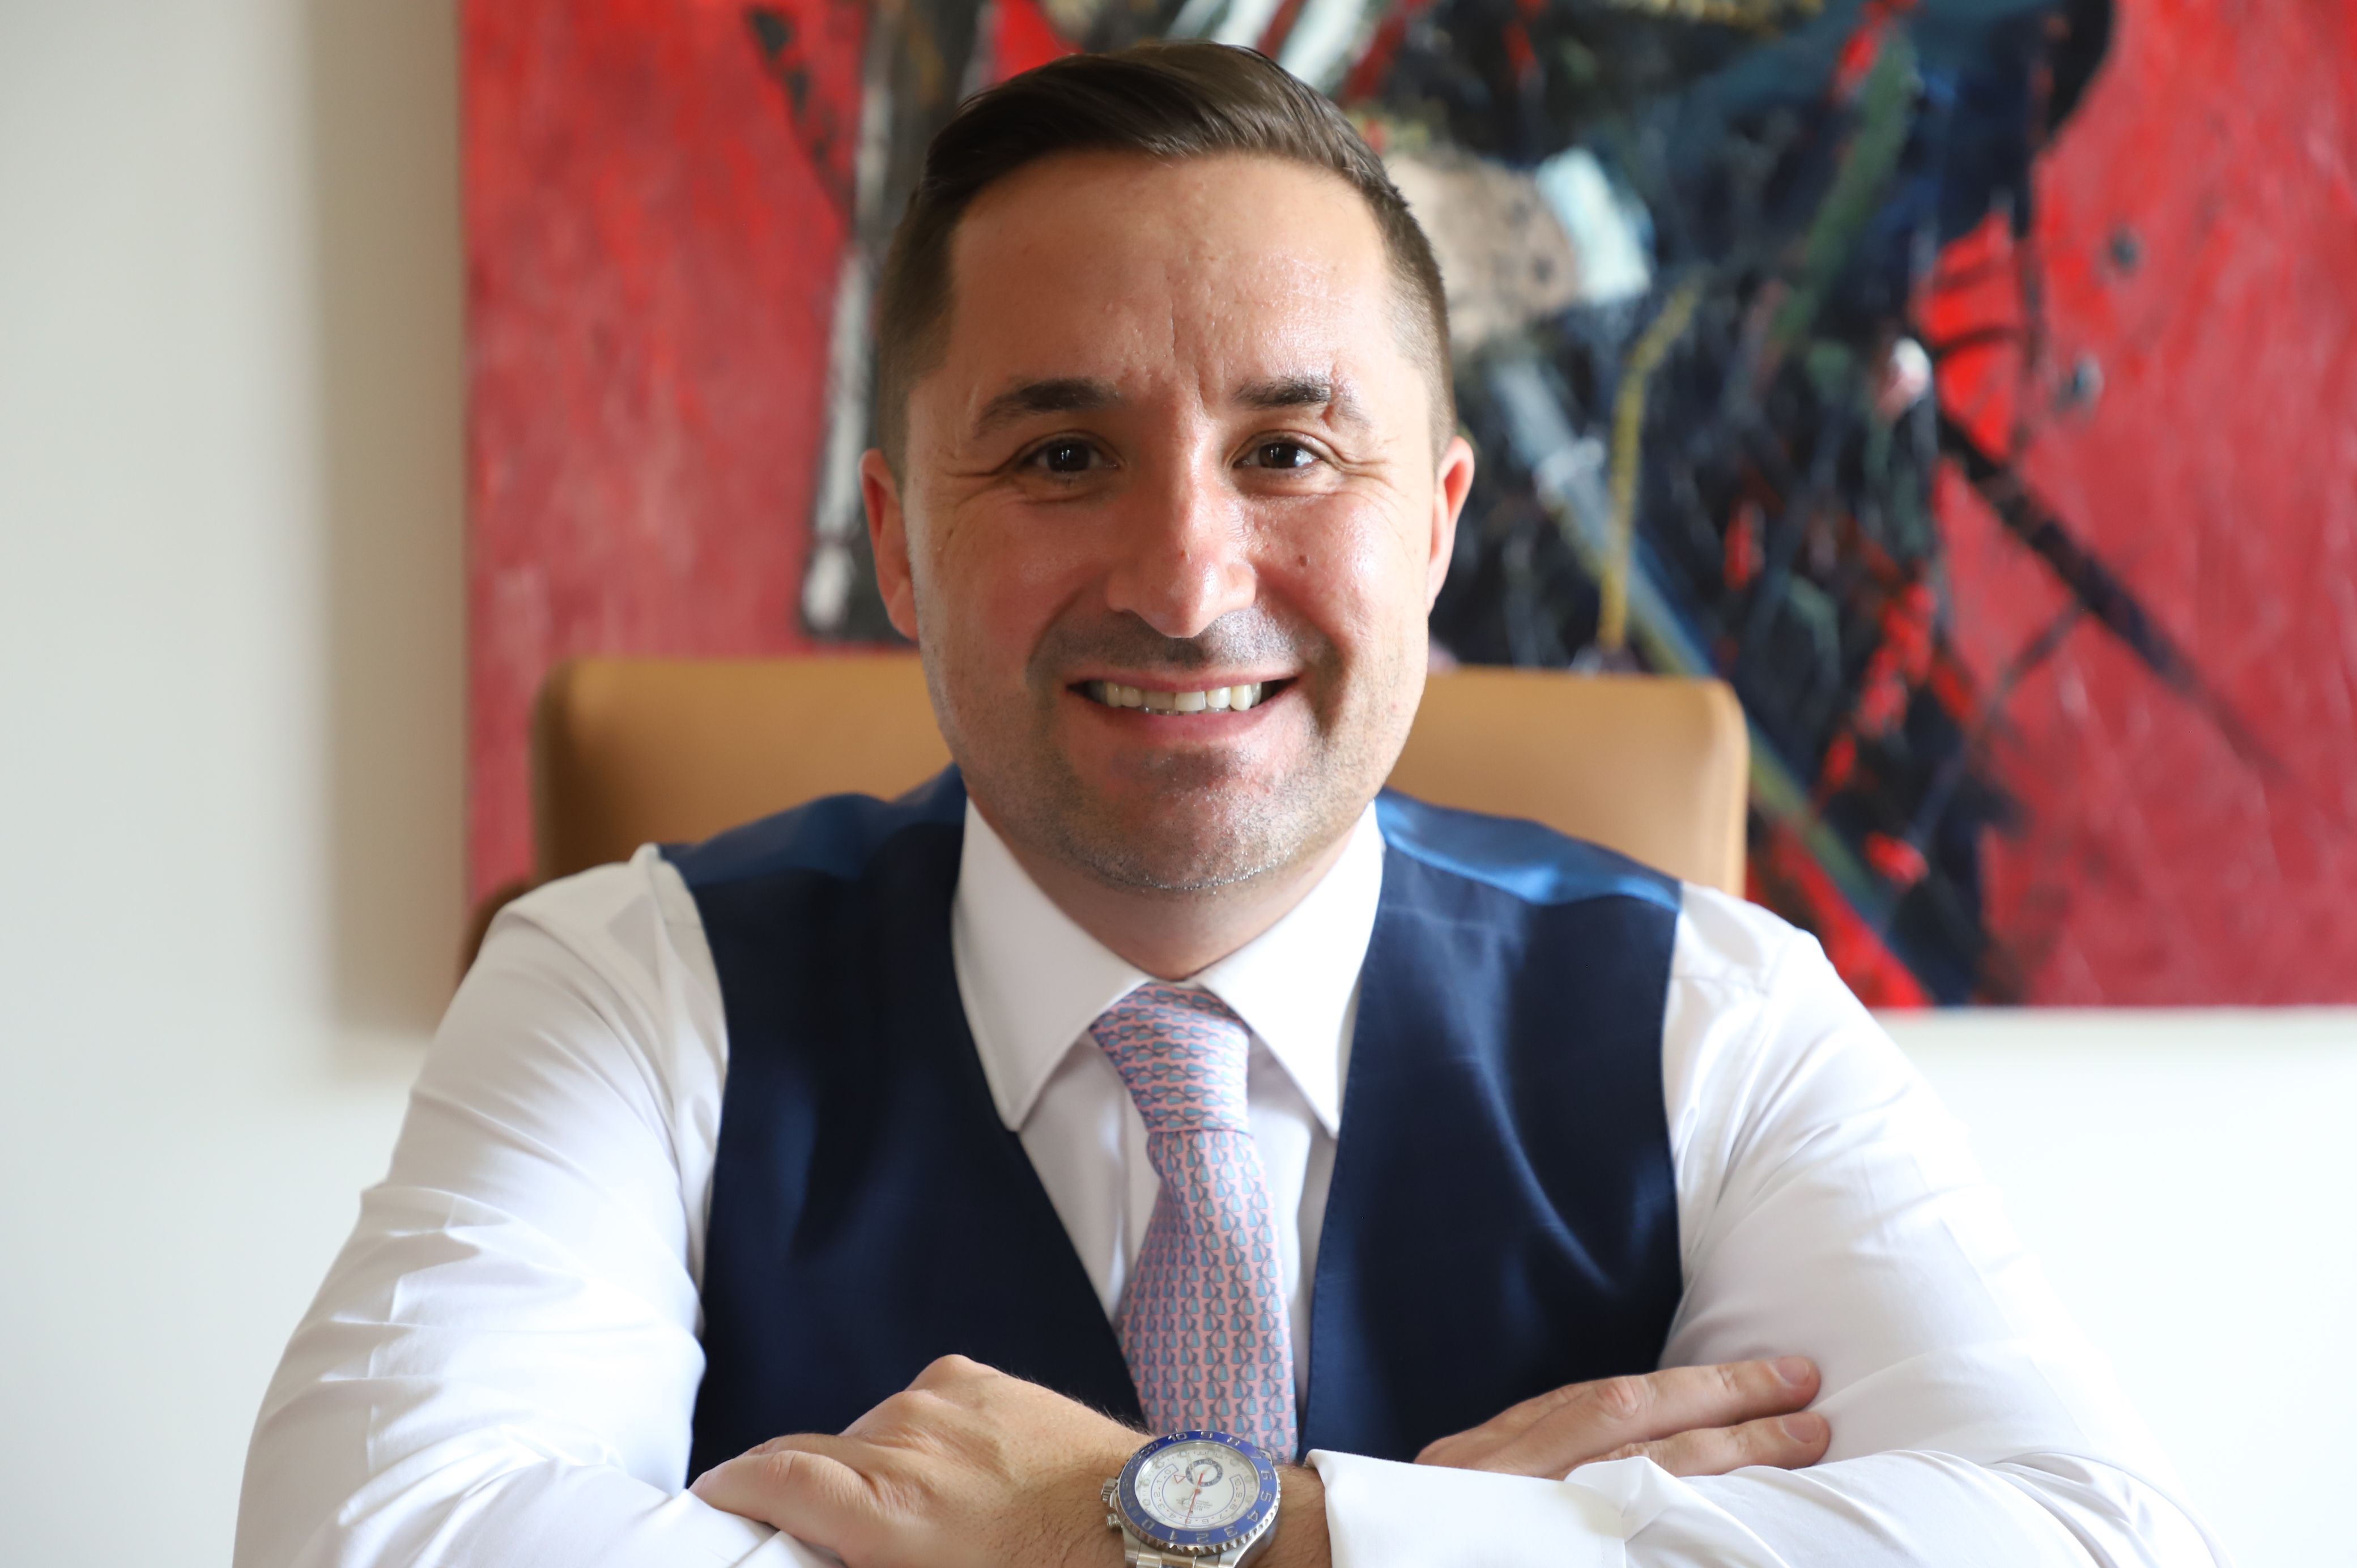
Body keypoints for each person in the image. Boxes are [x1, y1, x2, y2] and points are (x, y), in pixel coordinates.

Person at [235, 42, 2221, 1568]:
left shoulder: (1721, 1013)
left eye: (1288, 449)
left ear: (1435, 529)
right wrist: (1496, 1540)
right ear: (899, 547)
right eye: (1061, 456)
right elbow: (371, 1545)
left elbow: (2093, 1538)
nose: (1187, 583)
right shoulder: (631, 986)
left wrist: (1211, 1527)